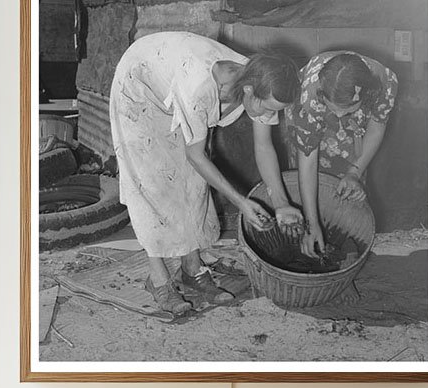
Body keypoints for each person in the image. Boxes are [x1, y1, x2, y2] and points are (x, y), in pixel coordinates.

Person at [110, 31, 303, 315]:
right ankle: (158, 278)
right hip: (138, 86)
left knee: (193, 182)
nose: (267, 114)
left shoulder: (262, 81)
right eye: (267, 107)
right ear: (249, 90)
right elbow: (195, 156)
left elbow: (264, 147)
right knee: (152, 182)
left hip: (171, 81)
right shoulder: (200, 86)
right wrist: (241, 203)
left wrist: (282, 203)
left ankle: (192, 267)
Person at [288, 51, 398, 258]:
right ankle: (308, 230)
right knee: (305, 182)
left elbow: (376, 127)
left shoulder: (385, 83)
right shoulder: (309, 94)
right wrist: (312, 224)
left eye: (345, 109)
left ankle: (337, 235)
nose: (338, 115)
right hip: (311, 112)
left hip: (355, 125)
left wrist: (355, 172)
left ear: (366, 96)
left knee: (348, 179)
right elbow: (308, 159)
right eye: (334, 109)